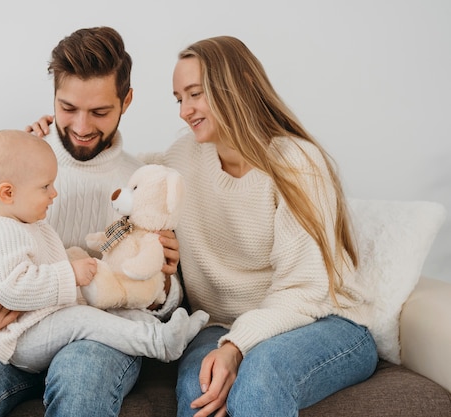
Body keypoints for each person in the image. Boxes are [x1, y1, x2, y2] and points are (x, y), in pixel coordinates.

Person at [0, 27, 185, 417]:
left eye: (99, 112)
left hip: (95, 332)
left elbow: (163, 295)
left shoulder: (141, 181)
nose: (80, 126)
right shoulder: (9, 160)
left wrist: (165, 281)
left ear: (126, 101)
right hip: (1, 337)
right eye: (68, 108)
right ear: (54, 97)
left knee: (82, 390)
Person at [149, 36, 378, 416]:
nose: (184, 111)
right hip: (220, 326)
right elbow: (120, 171)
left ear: (241, 83)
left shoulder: (297, 164)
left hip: (322, 321)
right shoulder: (182, 158)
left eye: (195, 94)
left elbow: (304, 290)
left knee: (260, 376)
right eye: (179, 98)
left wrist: (236, 347)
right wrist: (52, 140)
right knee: (198, 388)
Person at [0, 129, 207, 371]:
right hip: (20, 336)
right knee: (84, 320)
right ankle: (158, 344)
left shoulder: (29, 226)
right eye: (45, 186)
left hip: (42, 322)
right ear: (8, 193)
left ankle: (170, 334)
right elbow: (12, 289)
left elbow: (43, 267)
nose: (54, 193)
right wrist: (70, 274)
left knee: (114, 310)